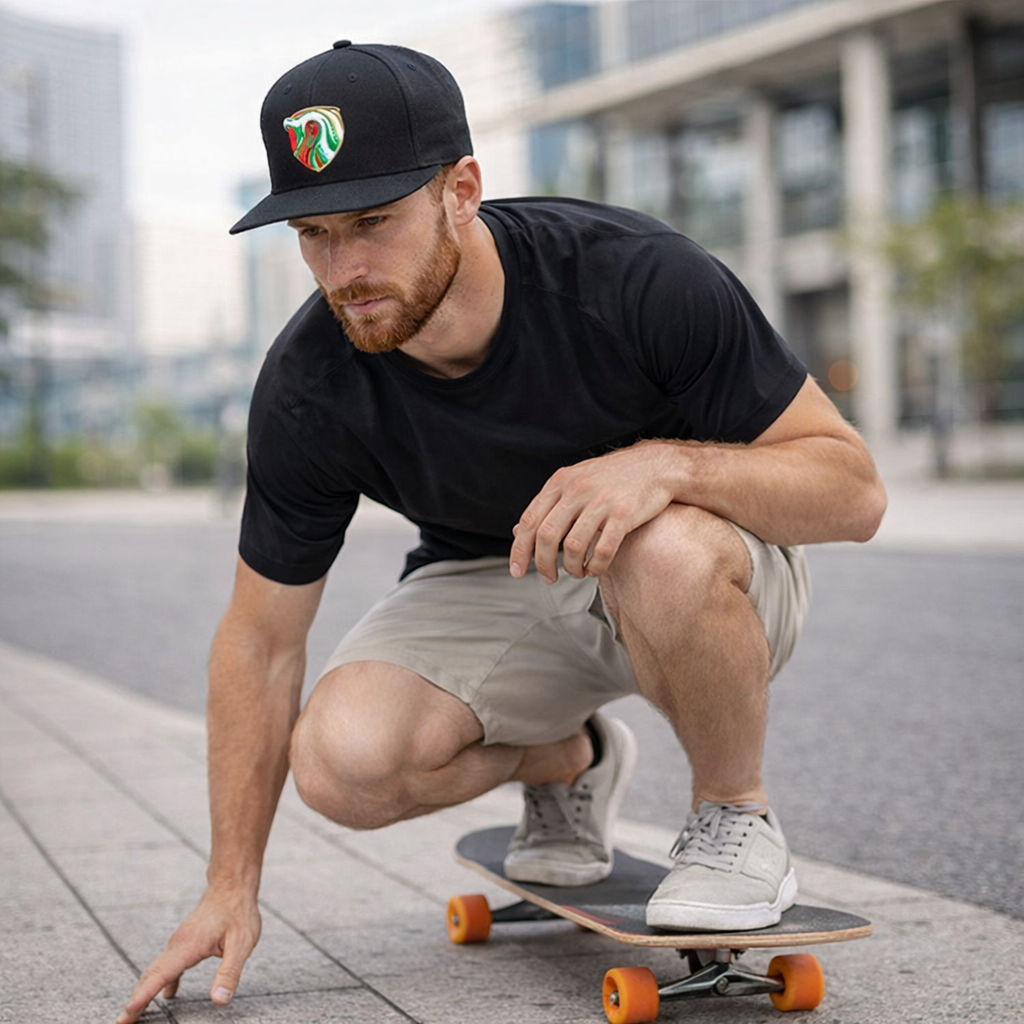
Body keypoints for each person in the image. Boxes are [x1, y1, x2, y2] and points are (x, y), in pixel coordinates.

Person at [117, 40, 886, 1024]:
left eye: (373, 221)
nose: (343, 268)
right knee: (340, 762)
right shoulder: (310, 382)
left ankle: (734, 819)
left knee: (661, 541)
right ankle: (568, 759)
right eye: (313, 233)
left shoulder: (633, 279)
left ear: (462, 189)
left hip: (692, 566)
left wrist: (665, 465)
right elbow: (261, 640)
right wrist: (230, 882)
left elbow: (853, 490)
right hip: (490, 576)